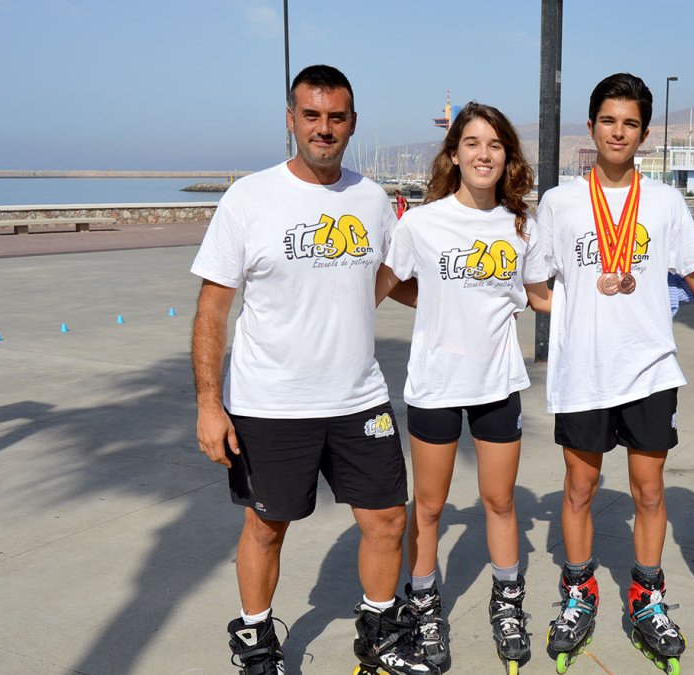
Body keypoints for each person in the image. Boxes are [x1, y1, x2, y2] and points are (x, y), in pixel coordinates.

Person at [190, 64, 437, 675]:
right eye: (311, 115)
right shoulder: (249, 198)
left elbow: (389, 281)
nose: (323, 129)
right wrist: (208, 403)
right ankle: (256, 643)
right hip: (270, 403)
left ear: (352, 123)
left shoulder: (372, 198)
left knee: (387, 519)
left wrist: (461, 298)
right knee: (267, 527)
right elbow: (213, 309)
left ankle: (378, 634)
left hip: (359, 397)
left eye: (336, 117)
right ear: (291, 119)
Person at [534, 72, 694, 674]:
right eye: (608, 120)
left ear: (644, 134)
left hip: (648, 370)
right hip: (583, 374)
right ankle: (579, 592)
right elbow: (536, 284)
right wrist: (574, 305)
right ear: (592, 125)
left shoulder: (667, 204)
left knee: (648, 491)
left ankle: (648, 597)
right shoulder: (560, 202)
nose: (618, 132)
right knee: (579, 490)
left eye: (630, 123)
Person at [375, 102, 551, 672]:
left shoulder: (520, 225)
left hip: (498, 384)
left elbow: (542, 294)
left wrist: (610, 298)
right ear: (454, 154)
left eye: (495, 145)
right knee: (428, 507)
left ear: (507, 158)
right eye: (472, 143)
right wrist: (434, 305)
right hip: (435, 386)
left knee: (499, 502)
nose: (483, 153)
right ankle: (424, 606)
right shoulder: (421, 223)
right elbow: (384, 284)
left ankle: (507, 603)